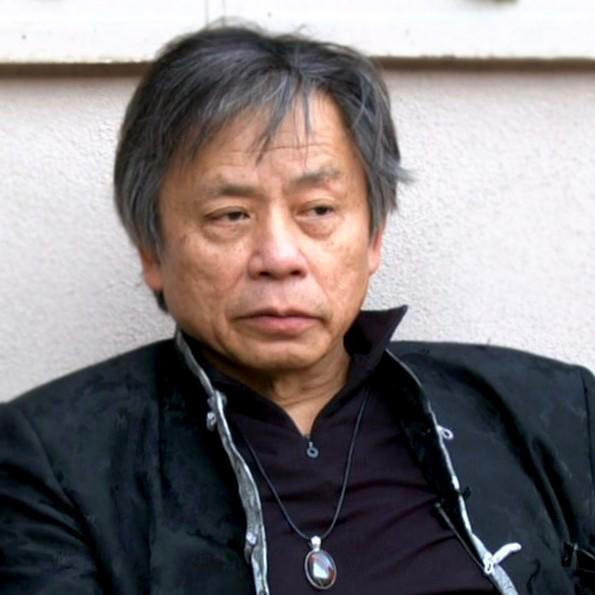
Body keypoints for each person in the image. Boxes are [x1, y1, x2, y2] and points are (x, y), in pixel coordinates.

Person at [0, 23, 593, 595]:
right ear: (151, 250)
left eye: (318, 210)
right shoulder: (53, 462)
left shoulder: (555, 417)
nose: (279, 258)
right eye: (231, 216)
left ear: (374, 238)